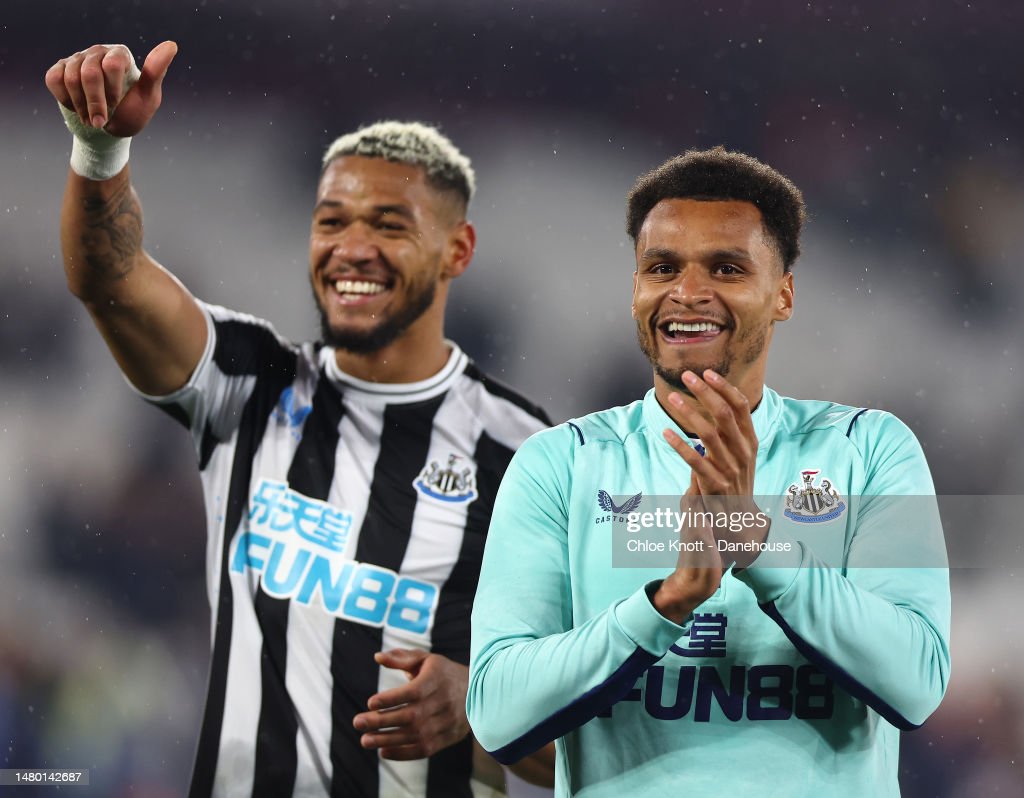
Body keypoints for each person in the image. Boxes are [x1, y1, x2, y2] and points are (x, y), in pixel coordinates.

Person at [45, 41, 554, 797]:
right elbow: (110, 279)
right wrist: (100, 152)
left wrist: (481, 708)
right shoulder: (250, 385)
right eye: (331, 221)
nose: (353, 248)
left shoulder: (529, 458)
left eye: (389, 225)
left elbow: (591, 736)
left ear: (457, 250)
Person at [467, 147, 951, 796]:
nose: (688, 292)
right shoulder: (560, 463)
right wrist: (666, 604)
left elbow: (916, 684)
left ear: (783, 294)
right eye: (662, 267)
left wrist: (761, 549)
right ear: (636, 290)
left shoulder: (869, 449)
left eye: (726, 268)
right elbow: (497, 714)